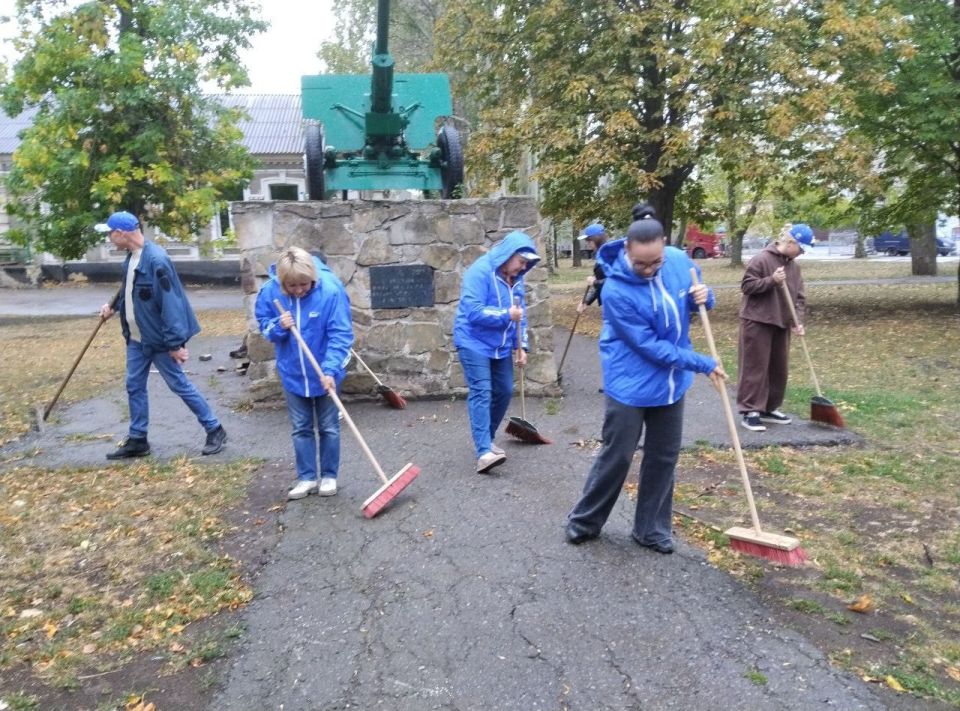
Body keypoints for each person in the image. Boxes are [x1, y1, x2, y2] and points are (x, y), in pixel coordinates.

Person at [565, 214, 726, 553]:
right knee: (618, 454)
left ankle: (650, 528)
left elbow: (695, 304)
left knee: (664, 456)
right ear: (627, 250)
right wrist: (701, 362)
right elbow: (649, 346)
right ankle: (585, 521)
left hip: (671, 381)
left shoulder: (681, 262)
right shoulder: (617, 290)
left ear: (665, 246)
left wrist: (705, 297)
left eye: (656, 262)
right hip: (630, 381)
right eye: (641, 263)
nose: (650, 269)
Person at [95, 211, 227, 459]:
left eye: (109, 234)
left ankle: (215, 429)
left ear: (121, 234)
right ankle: (138, 439)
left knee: (179, 384)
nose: (108, 239)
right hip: (136, 339)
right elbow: (130, 291)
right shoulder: (131, 258)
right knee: (134, 385)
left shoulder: (156, 260)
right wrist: (112, 307)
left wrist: (176, 343)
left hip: (158, 340)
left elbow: (172, 304)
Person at [255, 246, 353, 500]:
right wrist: (279, 326)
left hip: (326, 372)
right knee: (301, 427)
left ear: (312, 277)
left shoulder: (330, 292)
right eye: (292, 286)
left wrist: (331, 370)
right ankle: (307, 478)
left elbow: (340, 335)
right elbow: (264, 326)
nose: (299, 290)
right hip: (292, 372)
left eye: (304, 284)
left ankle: (329, 476)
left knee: (329, 426)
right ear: (282, 281)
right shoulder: (270, 292)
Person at [453, 231, 540, 473]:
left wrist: (520, 346)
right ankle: (483, 453)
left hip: (500, 346)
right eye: (521, 262)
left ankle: (487, 441)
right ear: (508, 254)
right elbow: (473, 311)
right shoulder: (479, 272)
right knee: (482, 391)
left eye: (527, 265)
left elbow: (520, 316)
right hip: (473, 342)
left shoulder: (517, 279)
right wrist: (505, 315)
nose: (523, 268)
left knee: (503, 391)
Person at [737, 223, 811, 432]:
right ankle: (751, 410)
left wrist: (798, 321)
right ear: (791, 242)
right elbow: (747, 286)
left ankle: (770, 407)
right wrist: (771, 280)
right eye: (802, 248)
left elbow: (800, 298)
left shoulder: (794, 268)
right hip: (757, 320)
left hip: (782, 322)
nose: (802, 253)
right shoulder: (761, 259)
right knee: (755, 367)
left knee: (779, 368)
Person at [575, 223, 609, 315]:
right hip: (609, 304)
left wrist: (594, 282)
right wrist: (586, 301)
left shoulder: (609, 256)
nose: (587, 243)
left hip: (619, 304)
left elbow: (616, 281)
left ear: (596, 239)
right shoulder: (601, 255)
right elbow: (599, 281)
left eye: (588, 240)